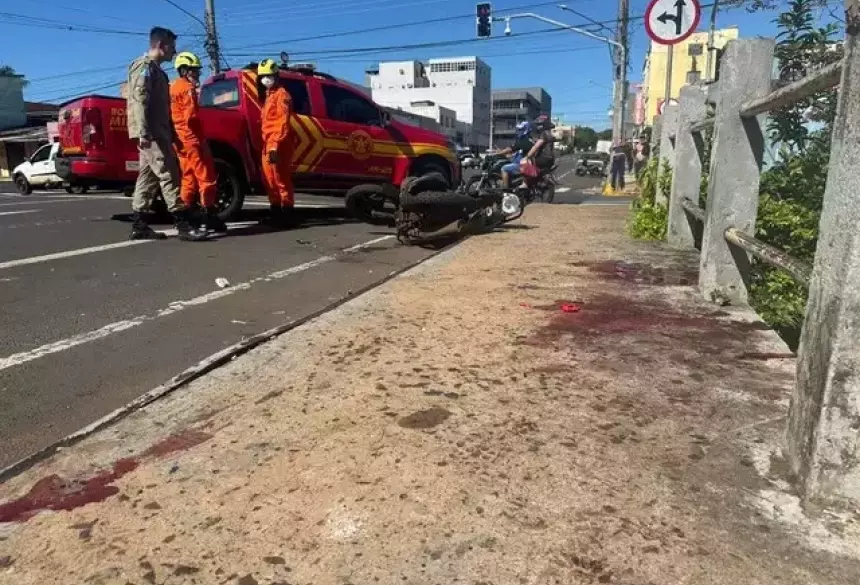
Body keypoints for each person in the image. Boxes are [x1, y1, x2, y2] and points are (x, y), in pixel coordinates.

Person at [126, 27, 206, 241]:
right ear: (161, 46)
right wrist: (143, 132)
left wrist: (171, 133)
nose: (175, 51)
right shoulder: (144, 68)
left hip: (157, 131)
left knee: (148, 177)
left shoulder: (158, 71)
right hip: (151, 133)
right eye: (172, 46)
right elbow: (139, 100)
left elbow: (162, 108)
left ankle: (139, 225)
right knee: (169, 173)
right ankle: (183, 225)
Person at [170, 51, 226, 235]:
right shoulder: (187, 89)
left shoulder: (172, 88)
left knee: (188, 178)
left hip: (179, 140)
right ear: (185, 70)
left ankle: (186, 216)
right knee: (206, 178)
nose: (197, 75)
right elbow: (191, 116)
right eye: (194, 71)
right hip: (192, 139)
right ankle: (209, 216)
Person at [257, 58, 295, 227]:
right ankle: (275, 211)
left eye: (269, 75)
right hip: (269, 144)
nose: (266, 79)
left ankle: (287, 213)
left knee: (281, 179)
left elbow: (282, 122)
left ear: (276, 75)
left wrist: (274, 146)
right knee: (269, 179)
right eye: (263, 76)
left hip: (279, 144)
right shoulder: (268, 96)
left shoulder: (282, 95)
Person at [495, 120, 534, 188]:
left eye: (521, 129)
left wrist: (499, 152)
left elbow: (511, 148)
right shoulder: (528, 139)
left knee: (504, 168)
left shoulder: (524, 140)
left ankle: (506, 190)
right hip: (523, 162)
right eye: (518, 129)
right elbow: (517, 151)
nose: (518, 131)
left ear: (526, 130)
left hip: (523, 165)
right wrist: (506, 153)